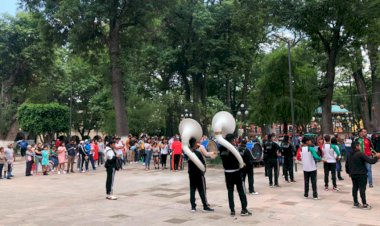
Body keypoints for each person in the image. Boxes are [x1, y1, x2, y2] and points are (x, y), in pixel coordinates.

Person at [220, 134, 252, 217]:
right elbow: (240, 160)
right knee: (241, 191)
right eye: (233, 140)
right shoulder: (234, 148)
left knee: (230, 191)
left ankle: (232, 210)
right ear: (231, 140)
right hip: (236, 173)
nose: (235, 141)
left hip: (227, 173)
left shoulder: (221, 149)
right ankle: (244, 209)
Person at [346, 141, 379, 209]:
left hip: (353, 174)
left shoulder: (349, 154)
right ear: (357, 146)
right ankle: (364, 204)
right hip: (361, 174)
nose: (360, 147)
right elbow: (371, 161)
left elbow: (347, 165)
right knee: (362, 189)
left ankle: (356, 203)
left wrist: (349, 172)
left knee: (355, 188)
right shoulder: (360, 154)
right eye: (360, 146)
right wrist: (376, 157)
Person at [187, 137, 215, 212]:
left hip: (191, 174)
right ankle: (205, 206)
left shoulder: (188, 153)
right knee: (202, 190)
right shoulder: (198, 153)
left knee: (192, 190)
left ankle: (193, 207)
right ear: (194, 143)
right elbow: (203, 164)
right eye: (196, 142)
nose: (197, 144)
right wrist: (203, 171)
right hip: (199, 174)